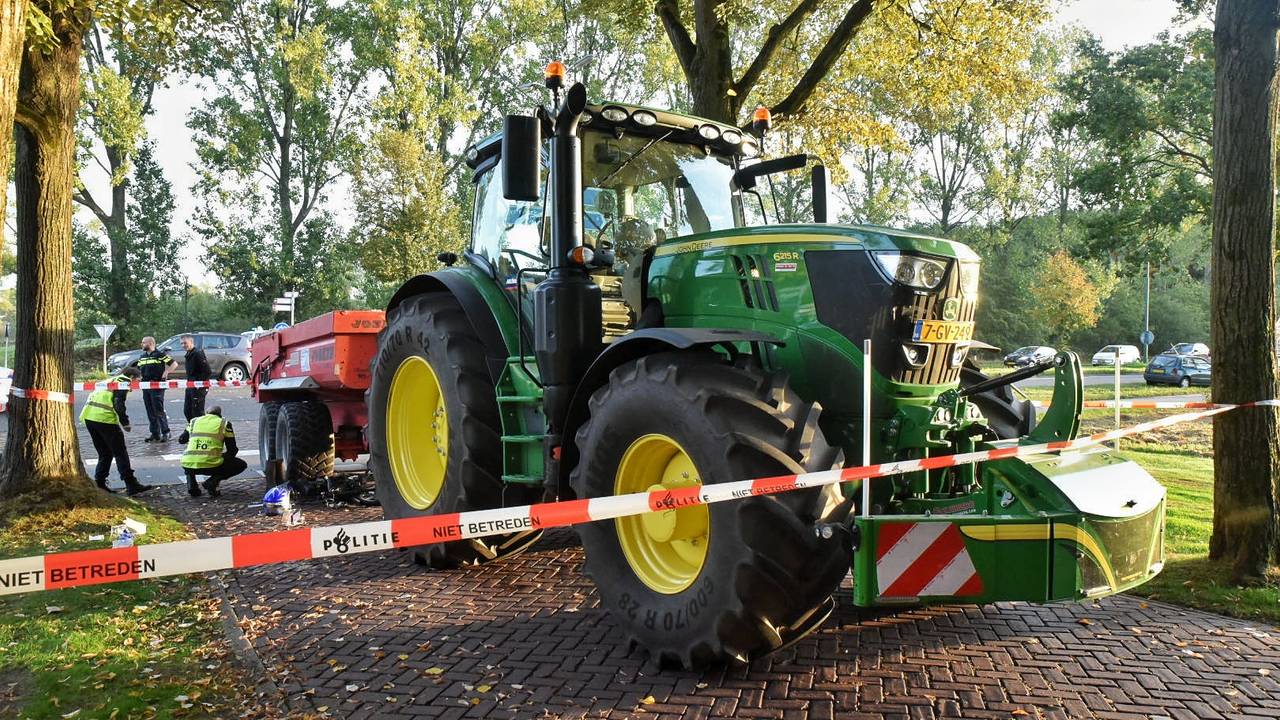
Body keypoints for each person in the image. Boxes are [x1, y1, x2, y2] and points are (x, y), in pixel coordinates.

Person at [80, 366, 153, 496]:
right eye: (138, 380)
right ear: (131, 378)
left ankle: (100, 483)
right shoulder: (122, 382)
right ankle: (131, 484)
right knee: (120, 453)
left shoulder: (110, 380)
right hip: (105, 419)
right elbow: (119, 404)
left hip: (90, 418)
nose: (137, 384)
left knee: (105, 453)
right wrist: (125, 423)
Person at [180, 405, 247, 497]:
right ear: (219, 415)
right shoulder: (224, 423)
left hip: (188, 463)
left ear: (206, 413)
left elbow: (181, 439)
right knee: (241, 465)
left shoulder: (194, 421)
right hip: (211, 465)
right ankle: (212, 482)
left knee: (190, 460)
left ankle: (192, 485)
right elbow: (232, 450)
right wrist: (221, 456)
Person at [137, 336, 177, 442]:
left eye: (143, 342)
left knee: (158, 410)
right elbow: (139, 370)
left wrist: (166, 372)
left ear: (150, 343)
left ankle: (166, 432)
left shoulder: (160, 355)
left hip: (157, 385)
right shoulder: (142, 356)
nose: (142, 344)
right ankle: (155, 433)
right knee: (150, 410)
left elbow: (174, 364)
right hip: (146, 386)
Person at [177, 335, 211, 444]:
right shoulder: (189, 354)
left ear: (191, 342)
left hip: (198, 387)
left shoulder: (197, 354)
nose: (183, 345)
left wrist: (199, 383)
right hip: (190, 385)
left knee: (197, 411)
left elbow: (207, 371)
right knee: (187, 410)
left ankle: (202, 432)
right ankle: (193, 429)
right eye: (181, 343)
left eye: (185, 343)